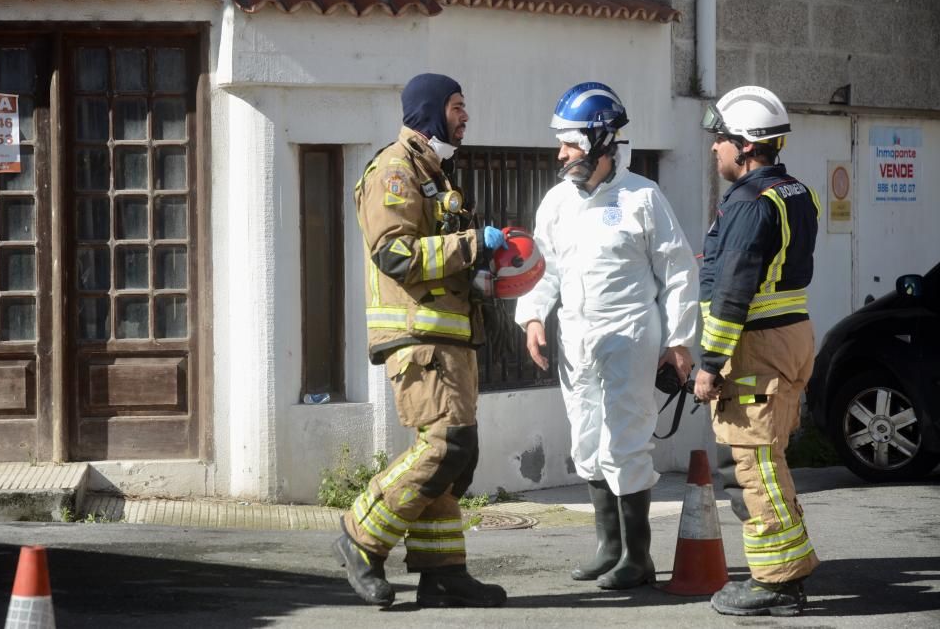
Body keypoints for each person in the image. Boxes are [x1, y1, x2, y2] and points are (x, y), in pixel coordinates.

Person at [332, 73, 508, 609]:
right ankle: (360, 536)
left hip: (448, 337)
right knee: (444, 446)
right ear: (429, 111)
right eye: (457, 105)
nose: (465, 116)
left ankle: (443, 571)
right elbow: (396, 255)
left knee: (461, 456)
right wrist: (471, 244)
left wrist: (485, 268)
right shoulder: (394, 170)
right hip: (418, 338)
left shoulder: (437, 176)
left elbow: (442, 259)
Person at [514, 82, 698, 590]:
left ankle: (637, 558)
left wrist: (680, 341)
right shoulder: (556, 202)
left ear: (600, 141)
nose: (561, 153)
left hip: (629, 337)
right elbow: (541, 266)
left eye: (569, 143)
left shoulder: (643, 196)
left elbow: (678, 270)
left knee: (627, 443)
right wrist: (533, 317)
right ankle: (608, 548)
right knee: (587, 442)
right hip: (576, 340)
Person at [694, 85, 821, 617]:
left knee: (754, 463)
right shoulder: (796, 192)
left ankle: (776, 583)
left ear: (746, 145)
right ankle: (785, 566)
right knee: (770, 459)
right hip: (789, 337)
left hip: (757, 347)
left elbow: (733, 292)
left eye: (720, 139)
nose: (714, 149)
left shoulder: (749, 204)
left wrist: (707, 365)